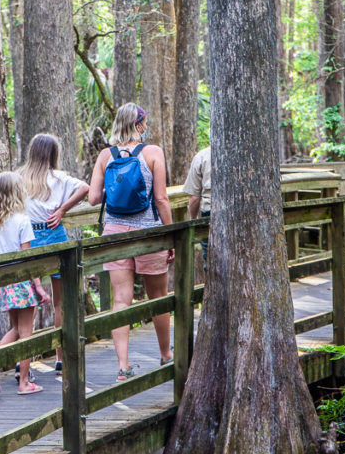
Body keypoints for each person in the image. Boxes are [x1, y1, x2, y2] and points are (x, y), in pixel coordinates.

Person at [88, 103, 174, 377]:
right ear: (138, 125)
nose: (146, 127)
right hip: (148, 232)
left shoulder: (105, 156)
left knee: (121, 301)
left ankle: (123, 366)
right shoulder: (153, 152)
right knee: (158, 296)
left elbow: (93, 199)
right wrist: (170, 235)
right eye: (144, 123)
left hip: (114, 233)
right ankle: (165, 355)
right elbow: (161, 198)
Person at [18, 134, 89, 378]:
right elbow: (85, 188)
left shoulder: (19, 178)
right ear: (53, 154)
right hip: (54, 234)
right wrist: (62, 210)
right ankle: (60, 359)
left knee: (29, 301)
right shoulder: (59, 178)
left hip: (29, 238)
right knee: (59, 302)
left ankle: (23, 360)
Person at [0, 171, 50, 395]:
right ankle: (22, 382)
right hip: (22, 281)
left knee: (16, 329)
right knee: (26, 333)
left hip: (4, 282)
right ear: (17, 193)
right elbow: (27, 260)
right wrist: (38, 286)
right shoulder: (22, 221)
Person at [183, 144, 211, 265]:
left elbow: (194, 197)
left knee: (211, 259)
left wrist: (193, 220)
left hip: (209, 215)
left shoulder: (202, 156)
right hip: (241, 214)